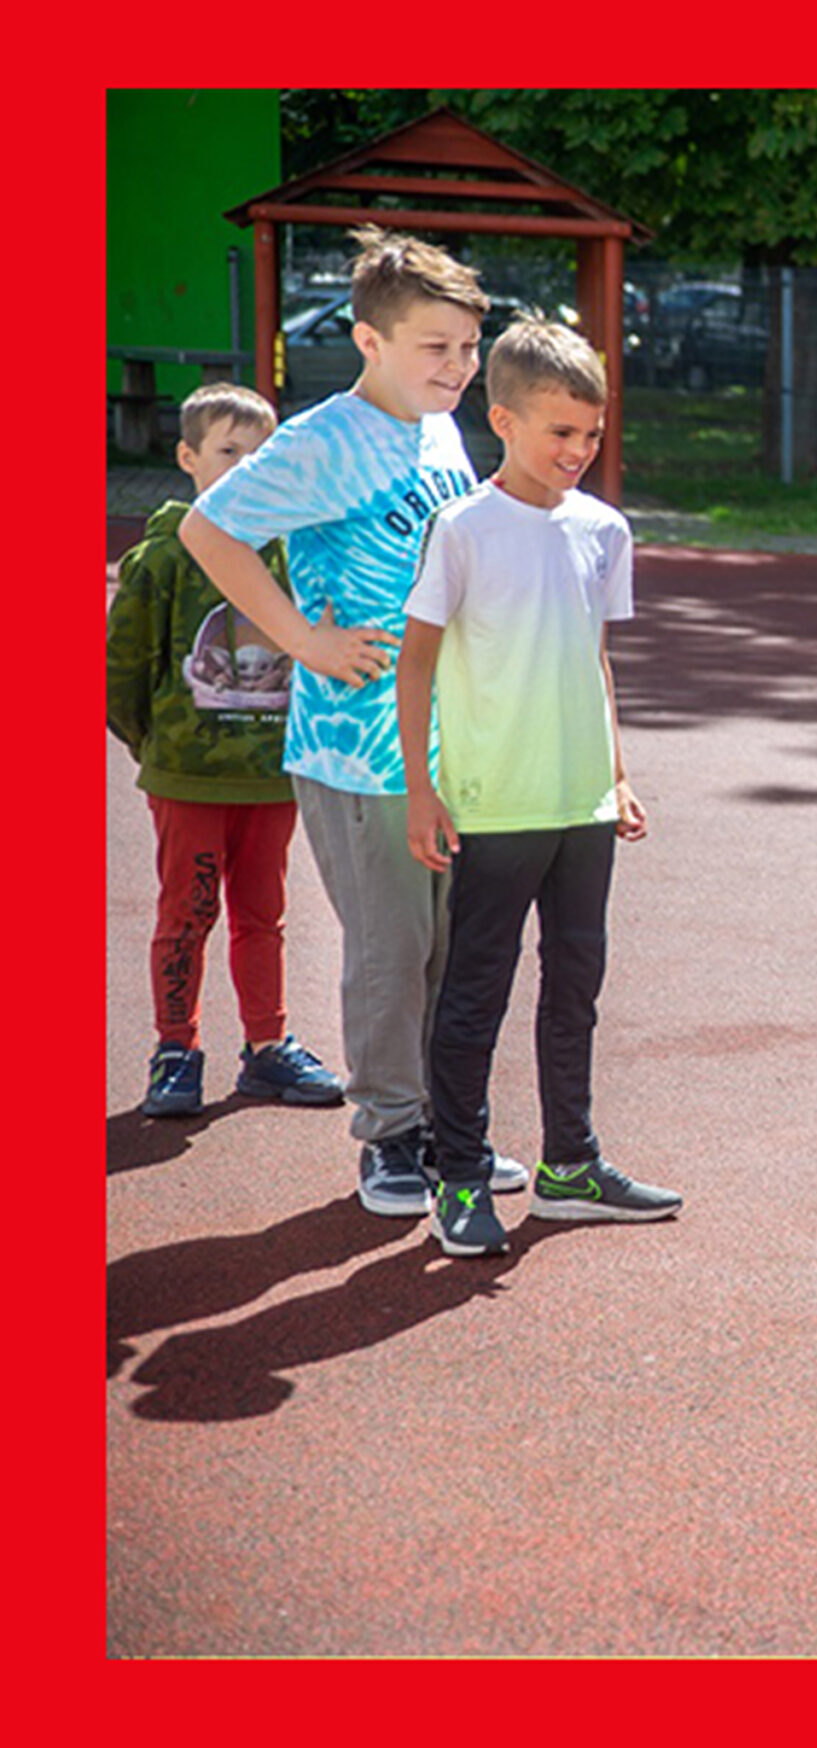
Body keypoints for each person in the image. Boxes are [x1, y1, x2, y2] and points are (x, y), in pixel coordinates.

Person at [179, 226, 525, 1215]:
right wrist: (301, 638)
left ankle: (449, 1126)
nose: (457, 367)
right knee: (392, 951)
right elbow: (211, 529)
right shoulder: (322, 440)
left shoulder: (438, 430)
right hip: (358, 748)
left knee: (455, 950)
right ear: (370, 340)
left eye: (467, 346)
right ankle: (390, 1135)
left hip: (448, 743)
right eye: (435, 347)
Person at [397, 319, 679, 1257]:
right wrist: (421, 789)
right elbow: (418, 663)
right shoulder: (464, 528)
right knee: (475, 991)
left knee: (577, 987)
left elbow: (594, 658)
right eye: (560, 432)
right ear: (502, 418)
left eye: (591, 435)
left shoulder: (604, 530)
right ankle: (460, 1172)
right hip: (494, 802)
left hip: (581, 805)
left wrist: (619, 774)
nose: (578, 451)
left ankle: (569, 1166)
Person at [109, 382, 345, 1117]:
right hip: (189, 778)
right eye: (228, 452)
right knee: (186, 912)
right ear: (187, 457)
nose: (246, 467)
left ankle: (266, 1048)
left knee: (263, 914)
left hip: (271, 779)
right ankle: (175, 1050)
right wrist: (164, 748)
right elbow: (122, 668)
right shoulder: (163, 557)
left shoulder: (292, 553)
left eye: (261, 453)